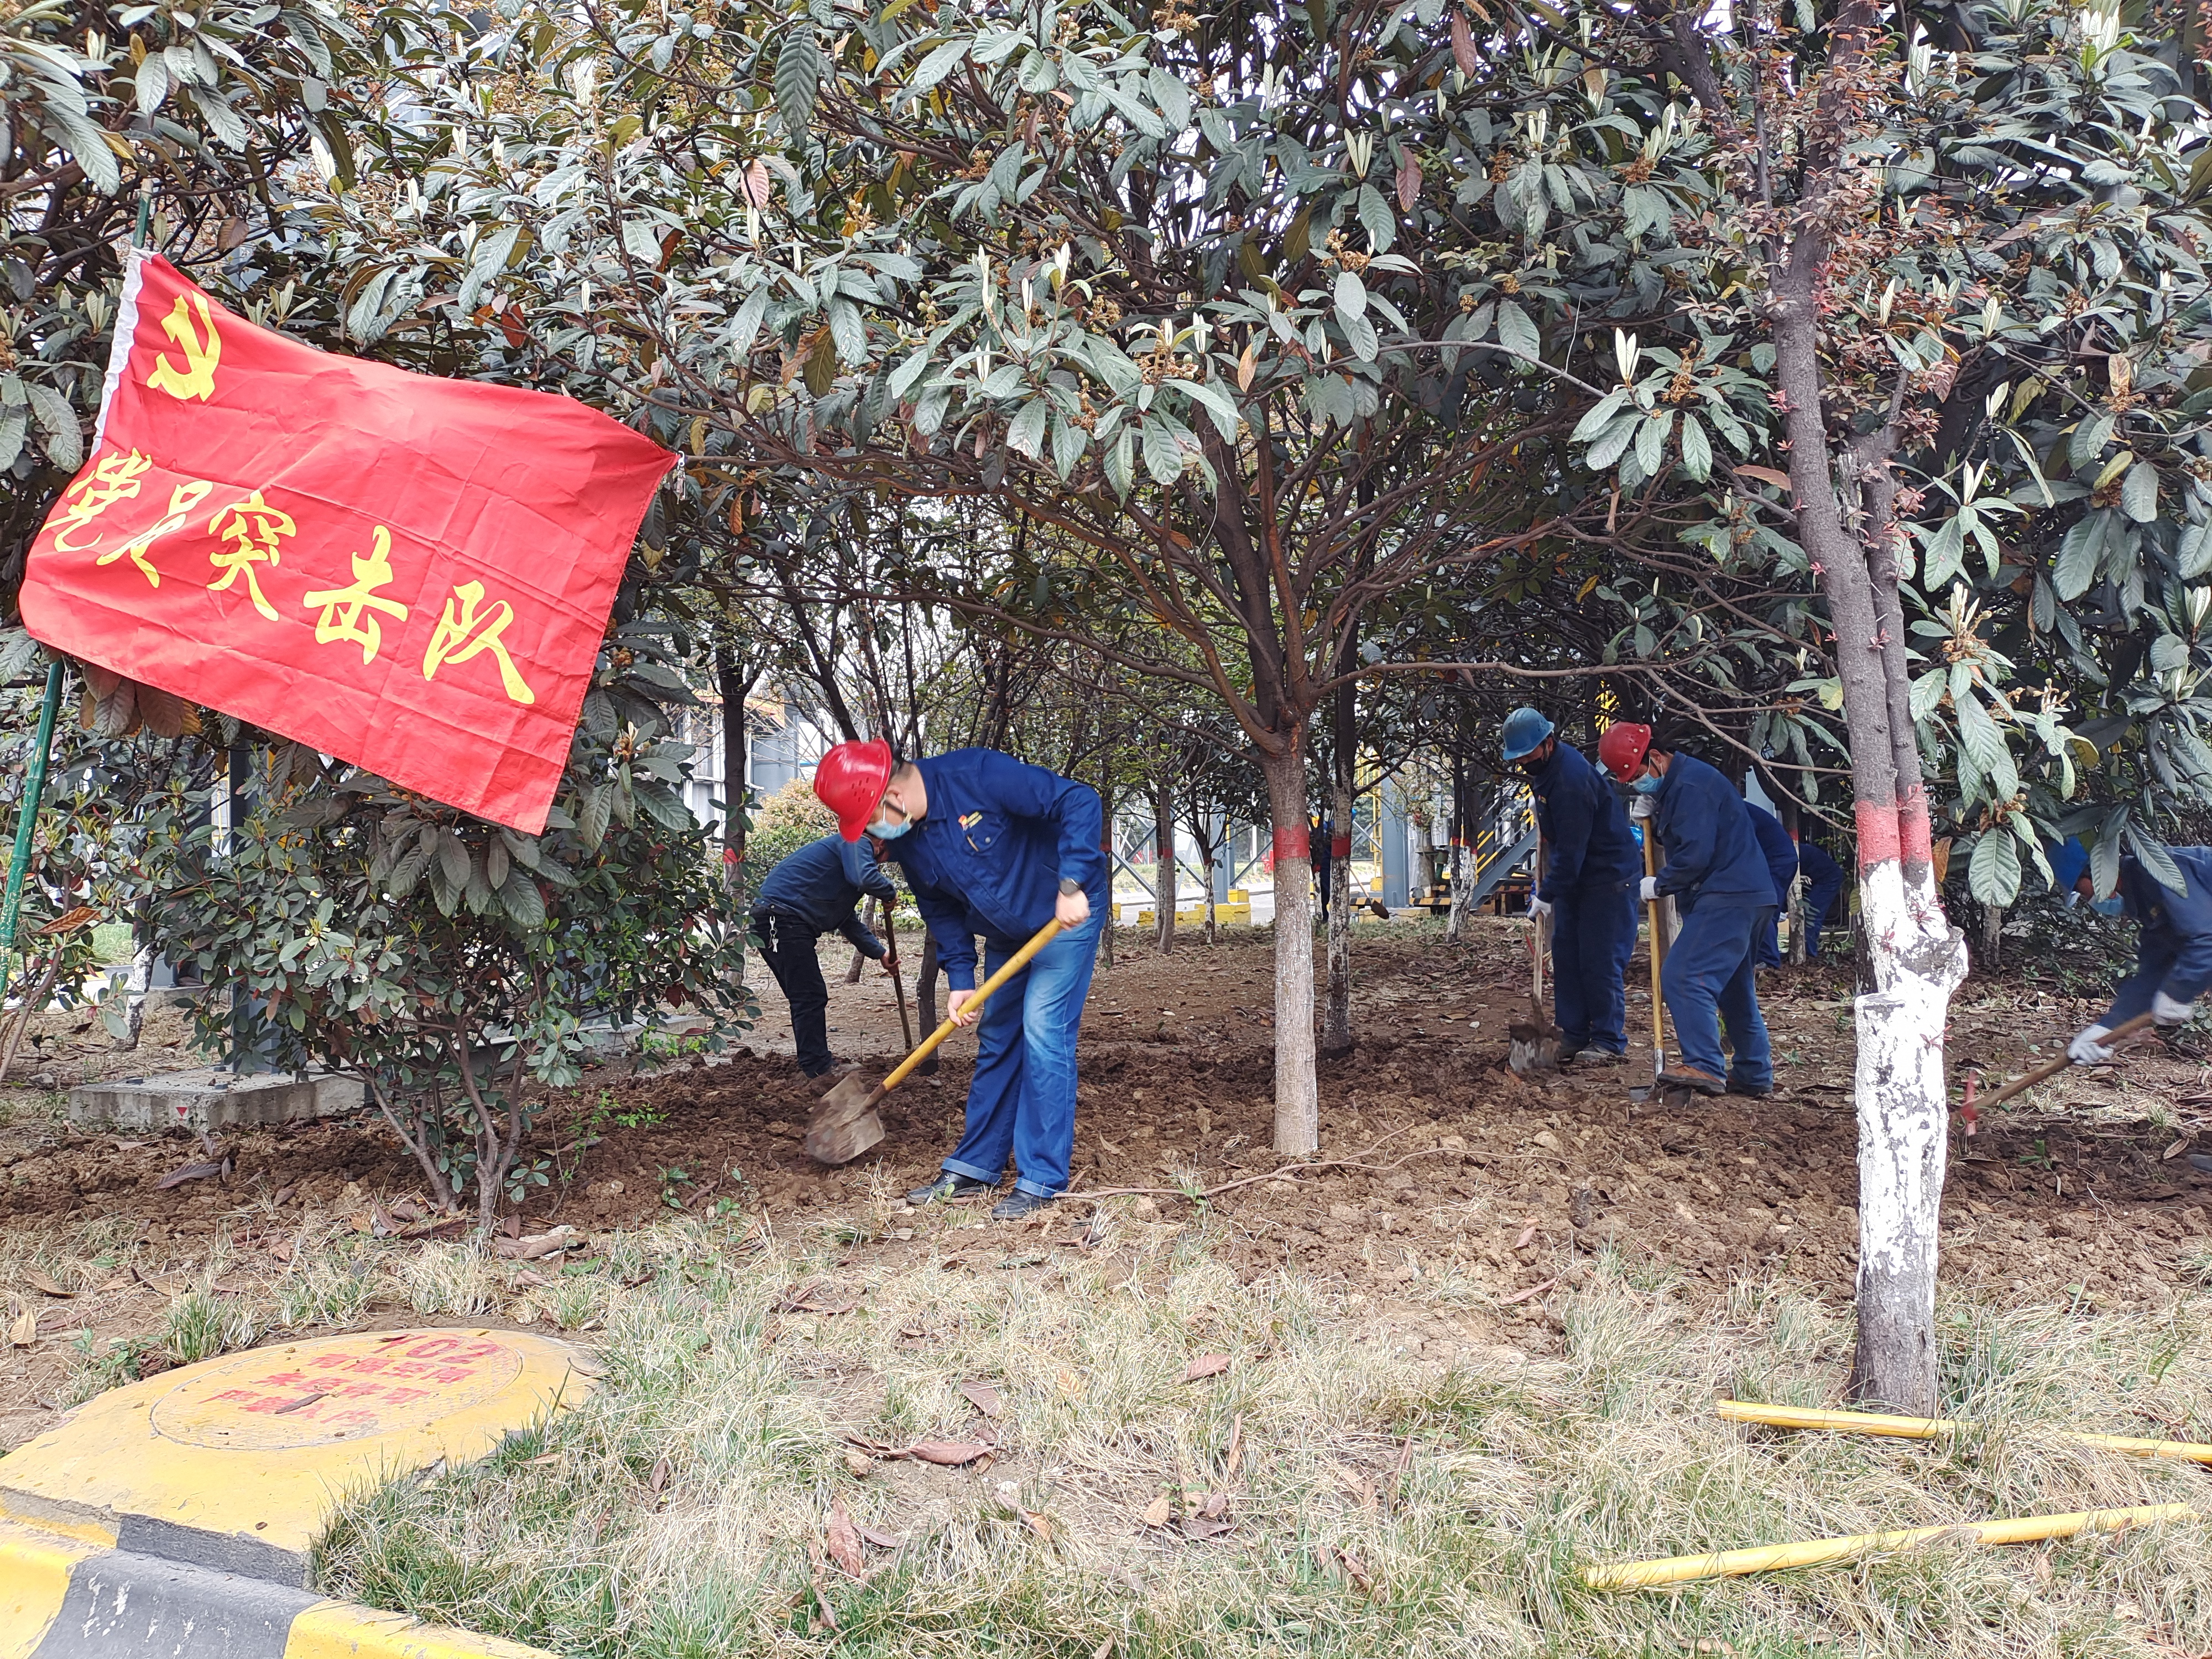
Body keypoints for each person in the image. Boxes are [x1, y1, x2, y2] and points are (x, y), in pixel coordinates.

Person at [814, 738, 1107, 1222]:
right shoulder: (908, 838)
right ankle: (975, 1166)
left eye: (870, 820)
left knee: (1043, 1031)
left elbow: (1078, 799)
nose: (875, 833)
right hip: (1006, 933)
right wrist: (960, 978)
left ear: (894, 798)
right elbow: (940, 908)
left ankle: (1041, 1178)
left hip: (1064, 916)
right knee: (996, 1038)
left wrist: (1072, 882)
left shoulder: (980, 774)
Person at [1598, 722, 1774, 1097]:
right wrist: (1656, 821)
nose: (1636, 784)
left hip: (1728, 895)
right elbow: (1688, 835)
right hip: (1747, 894)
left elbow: (1695, 854)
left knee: (1682, 975)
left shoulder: (1692, 787)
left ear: (1657, 757)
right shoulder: (1682, 785)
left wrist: (1660, 884)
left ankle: (1705, 1065)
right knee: (1733, 989)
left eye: (1639, 775)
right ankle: (1754, 1073)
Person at [1503, 707, 1639, 1063]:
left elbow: (1573, 848)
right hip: (1578, 877)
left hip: (1607, 876)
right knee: (1567, 954)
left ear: (1548, 743)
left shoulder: (1571, 781)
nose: (1524, 763)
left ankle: (1608, 1041)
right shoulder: (1546, 770)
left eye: (1528, 755)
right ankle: (1574, 1032)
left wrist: (1547, 894)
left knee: (1599, 958)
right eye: (1518, 758)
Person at [752, 832, 899, 1087]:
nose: (879, 865)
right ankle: (817, 1068)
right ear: (882, 843)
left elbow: (844, 918)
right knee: (808, 996)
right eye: (883, 860)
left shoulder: (844, 863)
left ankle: (815, 1062)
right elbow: (865, 878)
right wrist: (889, 891)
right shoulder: (856, 841)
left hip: (776, 919)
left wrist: (880, 953)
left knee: (805, 996)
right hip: (783, 919)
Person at [2064, 840, 2212, 1066]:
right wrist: (2106, 1030)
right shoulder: (2149, 903)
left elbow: (2207, 941)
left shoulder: (2161, 873)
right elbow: (2154, 973)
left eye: (2080, 890)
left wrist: (2179, 990)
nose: (2088, 900)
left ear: (2097, 871)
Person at [1745, 802, 1800, 969]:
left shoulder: (1734, 810)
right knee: (1768, 908)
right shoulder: (1735, 807)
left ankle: (1768, 960)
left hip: (1777, 861)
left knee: (1763, 907)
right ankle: (1765, 956)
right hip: (1777, 859)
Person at [1798, 836, 1847, 959]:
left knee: (1811, 915)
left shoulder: (1784, 851)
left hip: (1827, 878)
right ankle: (1802, 951)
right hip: (1813, 876)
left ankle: (1809, 955)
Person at [1312, 814, 1335, 920]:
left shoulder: (1322, 828)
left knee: (1325, 891)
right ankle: (1324, 916)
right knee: (1325, 891)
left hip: (1325, 864)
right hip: (1325, 864)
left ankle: (1324, 916)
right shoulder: (1328, 827)